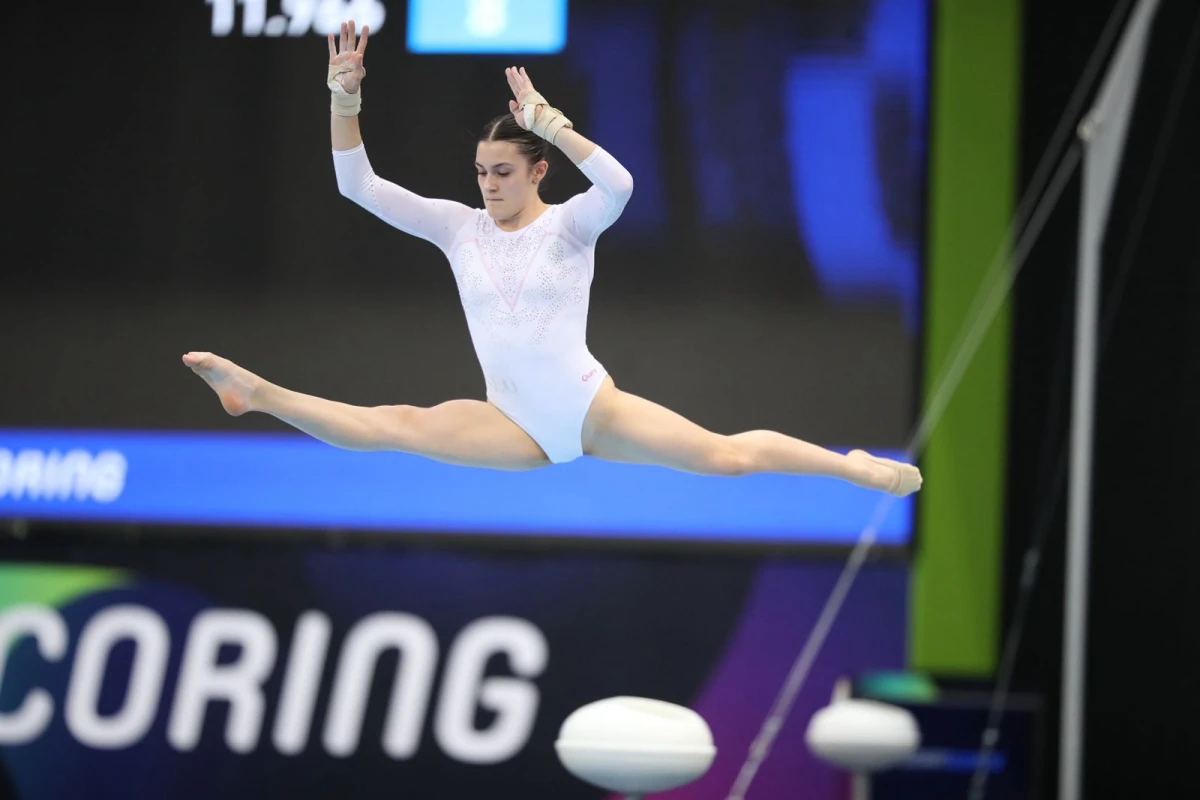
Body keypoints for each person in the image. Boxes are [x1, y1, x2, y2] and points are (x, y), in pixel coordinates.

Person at [183, 20, 922, 496]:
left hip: (591, 411)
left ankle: (848, 465)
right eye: (481, 172)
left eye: (503, 172)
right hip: (511, 422)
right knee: (392, 426)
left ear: (537, 172)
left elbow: (621, 183)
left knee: (725, 458)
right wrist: (344, 103)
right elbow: (357, 184)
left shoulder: (571, 225)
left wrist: (556, 127)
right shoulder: (457, 228)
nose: (488, 184)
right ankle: (258, 392)